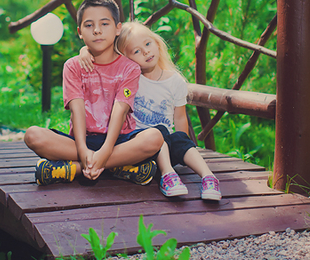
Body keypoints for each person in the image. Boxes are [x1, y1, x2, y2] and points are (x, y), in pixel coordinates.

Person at [24, 0, 164, 186]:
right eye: (89, 25)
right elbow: (77, 110)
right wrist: (82, 150)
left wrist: (105, 151)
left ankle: (75, 168)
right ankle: (118, 166)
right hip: (81, 141)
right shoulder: (73, 66)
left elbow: (120, 111)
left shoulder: (129, 68)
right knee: (33, 135)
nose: (97, 30)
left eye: (104, 24)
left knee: (154, 138)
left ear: (117, 28)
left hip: (118, 141)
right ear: (80, 31)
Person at [79, 21, 221, 200]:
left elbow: (180, 118)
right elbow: (104, 56)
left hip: (166, 147)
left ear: (157, 43)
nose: (146, 52)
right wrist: (85, 51)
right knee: (157, 133)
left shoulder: (175, 81)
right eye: (136, 51)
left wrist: (180, 147)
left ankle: (208, 177)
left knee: (178, 139)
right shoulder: (130, 78)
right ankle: (167, 175)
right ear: (125, 58)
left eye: (147, 44)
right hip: (139, 145)